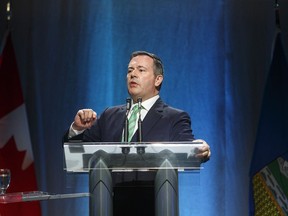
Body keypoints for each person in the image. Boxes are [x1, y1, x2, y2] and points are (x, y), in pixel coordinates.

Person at [63, 51, 211, 215]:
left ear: (158, 79)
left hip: (154, 207)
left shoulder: (174, 118)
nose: (133, 74)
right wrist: (77, 129)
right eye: (129, 70)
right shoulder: (108, 115)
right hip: (108, 206)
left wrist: (199, 149)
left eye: (141, 70)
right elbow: (75, 154)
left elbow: (189, 149)